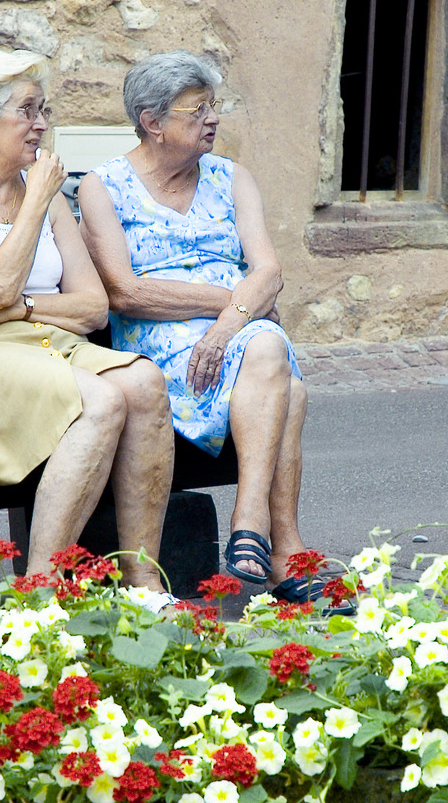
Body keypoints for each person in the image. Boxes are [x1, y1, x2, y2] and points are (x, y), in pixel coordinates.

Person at [0, 50, 174, 592]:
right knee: (100, 401)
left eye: (43, 110)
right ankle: (41, 594)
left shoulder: (40, 192)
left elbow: (92, 306)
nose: (42, 125)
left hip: (39, 335)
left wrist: (18, 308)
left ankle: (144, 584)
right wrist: (34, 210)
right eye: (28, 111)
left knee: (144, 382)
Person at [79, 51, 325, 603]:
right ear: (152, 121)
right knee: (287, 379)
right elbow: (126, 292)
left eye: (214, 105)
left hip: (231, 339)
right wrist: (233, 305)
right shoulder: (104, 186)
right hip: (160, 342)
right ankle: (281, 549)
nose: (213, 117)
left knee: (267, 351)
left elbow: (269, 270)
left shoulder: (232, 177)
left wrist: (224, 328)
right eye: (198, 109)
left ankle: (248, 521)